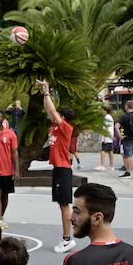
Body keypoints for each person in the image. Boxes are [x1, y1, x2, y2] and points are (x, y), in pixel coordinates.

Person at [39, 80, 78, 253]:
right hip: (58, 169)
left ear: (63, 118)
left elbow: (52, 111)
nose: (54, 117)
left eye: (58, 115)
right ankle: (67, 238)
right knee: (61, 205)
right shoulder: (54, 127)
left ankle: (67, 239)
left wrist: (48, 93)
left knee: (64, 206)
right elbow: (49, 110)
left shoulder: (66, 128)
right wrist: (44, 92)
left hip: (64, 169)